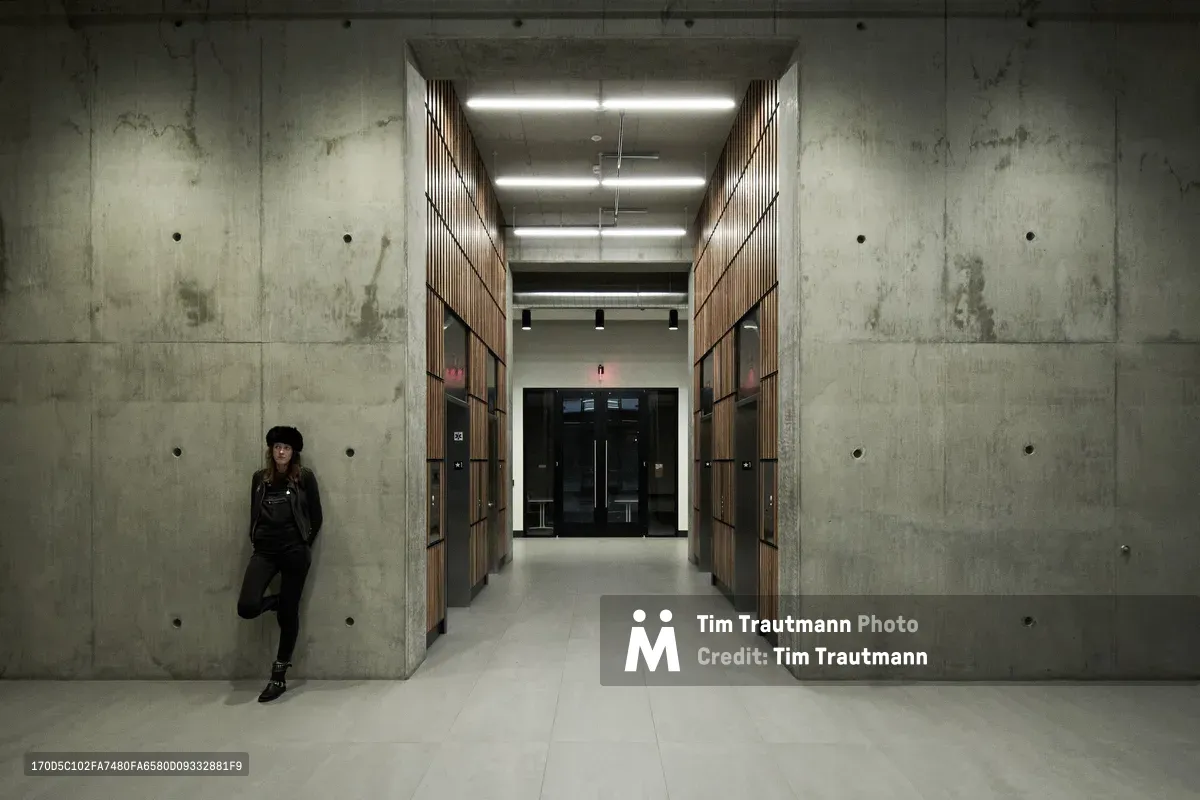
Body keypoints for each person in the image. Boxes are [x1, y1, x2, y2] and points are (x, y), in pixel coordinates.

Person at [237, 425, 323, 702]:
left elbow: (316, 517)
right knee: (247, 607)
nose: (280, 452)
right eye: (276, 448)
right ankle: (275, 602)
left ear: (293, 452)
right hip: (264, 552)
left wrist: (302, 546)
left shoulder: (304, 478)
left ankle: (278, 676)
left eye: (285, 448)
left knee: (289, 615)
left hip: (294, 552)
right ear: (271, 451)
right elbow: (254, 512)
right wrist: (257, 539)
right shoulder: (259, 479)